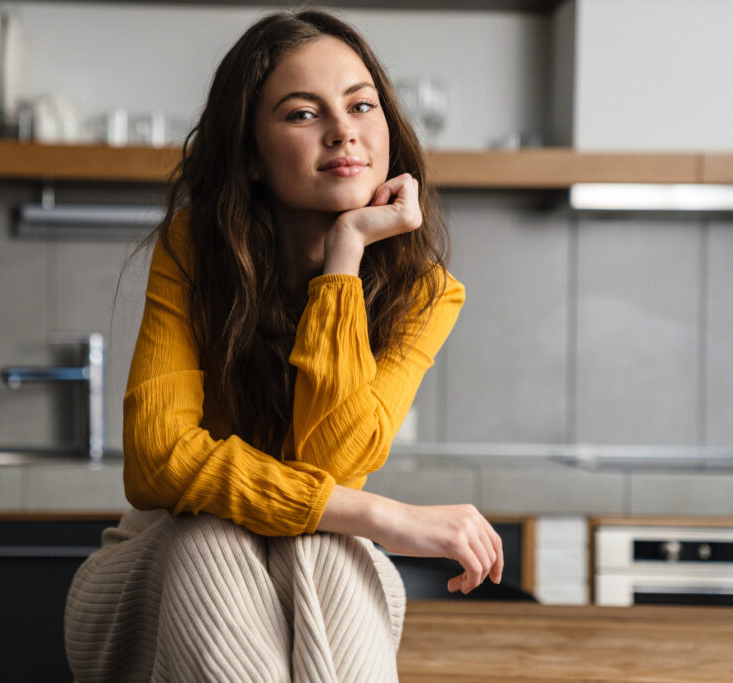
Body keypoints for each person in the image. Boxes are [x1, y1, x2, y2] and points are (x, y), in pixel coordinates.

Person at [65, 8, 503, 682]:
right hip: (161, 571)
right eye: (303, 114)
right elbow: (157, 461)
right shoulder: (194, 251)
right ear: (250, 156)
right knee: (219, 537)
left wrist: (345, 257)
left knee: (323, 546)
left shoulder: (424, 292)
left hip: (321, 577)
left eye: (362, 104)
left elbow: (329, 460)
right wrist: (382, 515)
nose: (345, 131)